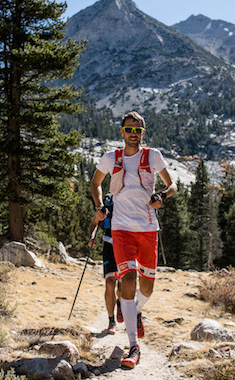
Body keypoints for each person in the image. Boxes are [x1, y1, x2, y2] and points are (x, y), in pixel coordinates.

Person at [90, 111, 177, 369]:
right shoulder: (110, 158)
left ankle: (135, 310)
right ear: (121, 131)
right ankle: (133, 346)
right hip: (121, 229)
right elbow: (95, 183)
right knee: (127, 280)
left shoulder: (153, 156)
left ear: (143, 133)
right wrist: (99, 206)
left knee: (147, 288)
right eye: (129, 129)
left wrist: (162, 196)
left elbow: (172, 185)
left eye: (137, 130)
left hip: (148, 228)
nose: (133, 134)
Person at [88, 193, 123, 335]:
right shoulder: (107, 203)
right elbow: (94, 223)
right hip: (109, 245)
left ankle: (120, 304)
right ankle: (111, 320)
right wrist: (91, 236)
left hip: (125, 246)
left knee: (123, 285)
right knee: (110, 283)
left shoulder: (130, 199)